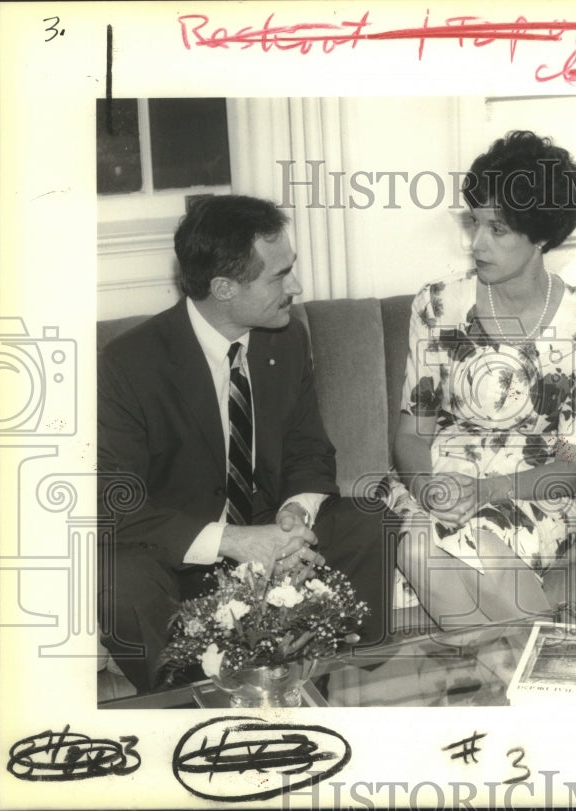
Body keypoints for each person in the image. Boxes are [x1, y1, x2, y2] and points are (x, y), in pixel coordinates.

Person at [97, 195, 392, 692]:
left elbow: (309, 450)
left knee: (368, 520)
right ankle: (190, 702)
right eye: (279, 276)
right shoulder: (129, 363)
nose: (295, 287)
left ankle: (332, 682)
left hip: (270, 532)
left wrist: (294, 520)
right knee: (118, 577)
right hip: (181, 553)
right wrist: (234, 542)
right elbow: (115, 500)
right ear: (223, 288)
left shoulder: (286, 338)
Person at [384, 130, 576, 629]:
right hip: (438, 479)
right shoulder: (437, 307)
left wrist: (487, 491)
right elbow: (410, 434)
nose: (477, 244)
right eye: (475, 223)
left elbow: (572, 469)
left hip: (525, 492)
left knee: (473, 546)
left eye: (498, 229)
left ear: (540, 237)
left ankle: (527, 672)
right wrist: (430, 489)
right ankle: (556, 663)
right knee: (421, 545)